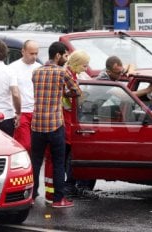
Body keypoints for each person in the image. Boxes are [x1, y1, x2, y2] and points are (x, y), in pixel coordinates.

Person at [31, 41, 81, 208]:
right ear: (58, 55)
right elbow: (76, 91)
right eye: (64, 56)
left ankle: (31, 196)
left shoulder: (36, 72)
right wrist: (64, 92)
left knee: (36, 162)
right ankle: (58, 199)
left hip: (37, 125)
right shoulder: (62, 72)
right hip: (55, 124)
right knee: (58, 162)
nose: (65, 61)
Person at [63, 50, 99, 200]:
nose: (87, 68)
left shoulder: (78, 74)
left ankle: (74, 185)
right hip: (67, 118)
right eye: (85, 65)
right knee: (72, 153)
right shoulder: (67, 74)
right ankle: (73, 185)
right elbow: (73, 95)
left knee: (73, 153)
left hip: (74, 117)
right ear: (77, 64)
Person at [9, 40, 41, 153]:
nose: (34, 56)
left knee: (37, 147)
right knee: (25, 145)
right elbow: (12, 91)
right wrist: (15, 112)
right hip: (21, 111)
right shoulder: (13, 68)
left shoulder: (39, 68)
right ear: (23, 51)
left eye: (36, 53)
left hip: (37, 112)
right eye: (31, 53)